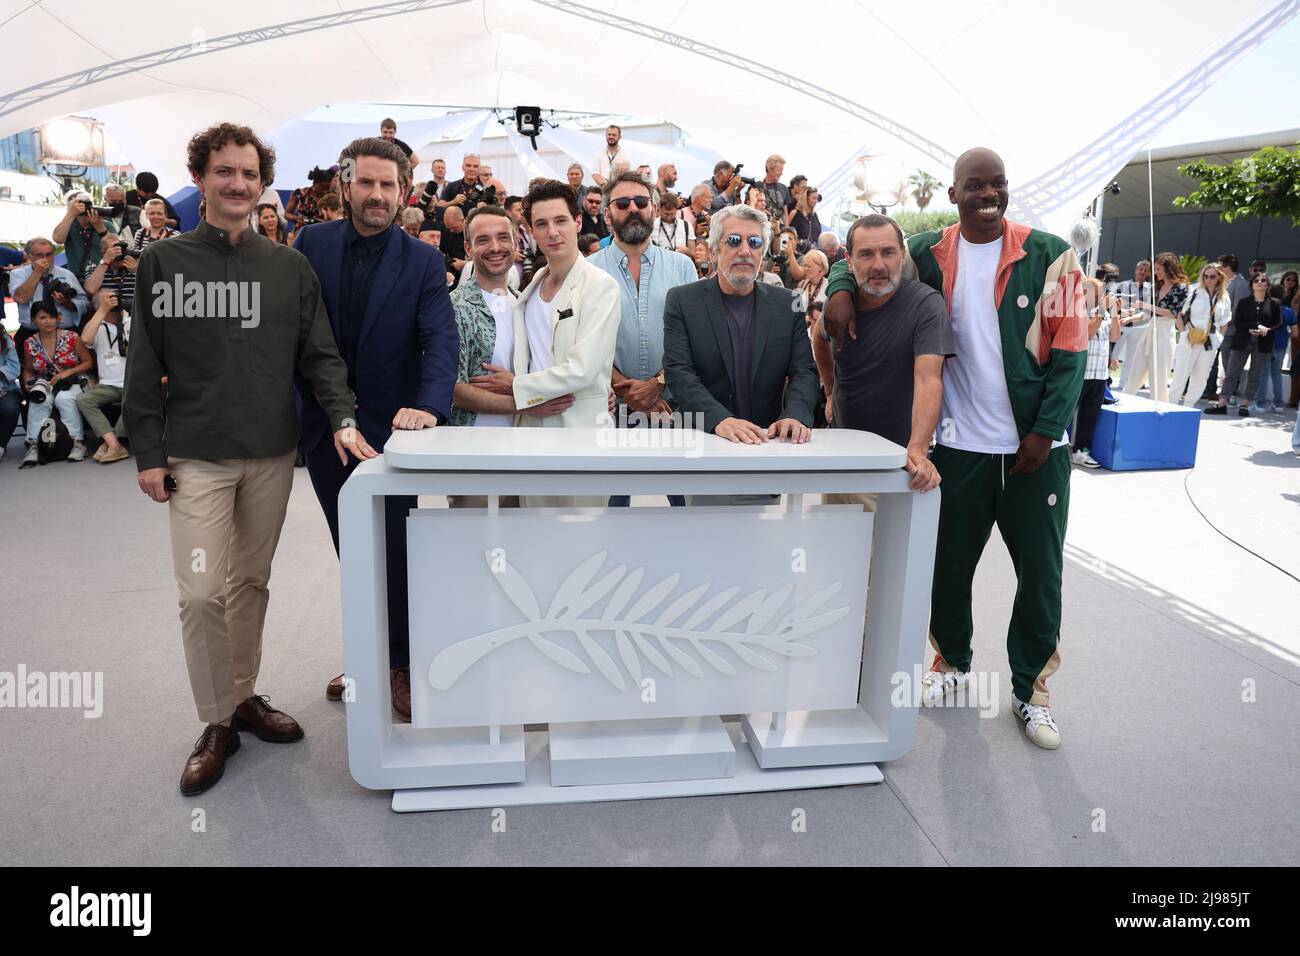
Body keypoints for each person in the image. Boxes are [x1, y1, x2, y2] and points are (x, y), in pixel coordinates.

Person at [124, 122, 373, 796]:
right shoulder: (163, 262)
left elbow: (318, 355)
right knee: (203, 592)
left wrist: (343, 416)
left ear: (263, 186)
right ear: (200, 180)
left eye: (250, 174)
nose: (238, 184)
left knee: (251, 584)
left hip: (271, 453)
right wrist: (147, 450)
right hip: (196, 455)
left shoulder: (289, 267)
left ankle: (242, 696)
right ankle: (217, 721)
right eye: (224, 171)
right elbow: (144, 364)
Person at [825, 147, 1086, 749]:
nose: (988, 194)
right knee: (946, 568)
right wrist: (839, 286)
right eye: (975, 185)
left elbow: (1071, 352)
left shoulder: (1052, 255)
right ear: (954, 193)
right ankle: (953, 666)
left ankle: (1031, 692)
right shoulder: (928, 252)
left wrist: (1045, 431)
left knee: (1041, 575)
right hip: (959, 447)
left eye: (997, 184)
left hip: (1034, 449)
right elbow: (867, 255)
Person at [293, 136, 458, 718]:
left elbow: (440, 340)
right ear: (345, 185)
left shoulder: (423, 260)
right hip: (323, 428)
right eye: (366, 182)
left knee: (394, 547)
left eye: (388, 185)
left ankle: (402, 662)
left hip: (392, 433)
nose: (377, 194)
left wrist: (430, 408)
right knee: (350, 548)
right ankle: (367, 654)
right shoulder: (309, 243)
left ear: (404, 191)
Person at [467, 180, 620, 506]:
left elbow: (582, 370)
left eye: (561, 221)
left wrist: (517, 387)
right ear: (531, 231)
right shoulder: (532, 285)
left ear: (578, 222)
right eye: (542, 224)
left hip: (579, 436)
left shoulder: (600, 286)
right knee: (531, 544)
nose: (553, 232)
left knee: (583, 546)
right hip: (530, 434)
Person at [663, 204, 818, 485]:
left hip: (767, 446)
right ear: (714, 251)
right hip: (703, 444)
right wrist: (719, 419)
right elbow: (678, 372)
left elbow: (804, 371)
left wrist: (795, 415)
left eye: (755, 242)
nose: (745, 250)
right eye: (734, 241)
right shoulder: (682, 301)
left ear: (763, 252)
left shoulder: (788, 304)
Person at [813, 214, 951, 496]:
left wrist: (918, 449)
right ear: (849, 261)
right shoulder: (840, 305)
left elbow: (929, 379)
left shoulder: (926, 305)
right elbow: (819, 337)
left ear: (902, 255)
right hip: (841, 462)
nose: (878, 265)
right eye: (866, 254)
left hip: (899, 467)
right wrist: (829, 391)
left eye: (888, 252)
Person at [588, 171, 699, 507]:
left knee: (687, 506)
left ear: (653, 208)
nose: (633, 208)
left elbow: (695, 337)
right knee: (610, 506)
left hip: (672, 406)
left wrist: (657, 384)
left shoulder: (682, 267)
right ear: (607, 213)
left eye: (640, 202)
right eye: (623, 203)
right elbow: (582, 341)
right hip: (609, 407)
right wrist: (627, 388)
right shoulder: (588, 270)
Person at [19, 300, 93, 466]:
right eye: (43, 317)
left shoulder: (71, 337)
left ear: (58, 318)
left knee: (64, 399)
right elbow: (29, 369)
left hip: (74, 380)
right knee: (39, 399)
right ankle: (33, 445)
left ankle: (78, 443)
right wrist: (27, 383)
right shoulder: (30, 343)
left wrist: (70, 371)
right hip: (46, 383)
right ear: (33, 320)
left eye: (52, 317)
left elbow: (88, 362)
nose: (48, 321)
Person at [1206, 272, 1281, 417]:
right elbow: (1238, 322)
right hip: (1242, 340)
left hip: (1263, 343)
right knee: (1232, 372)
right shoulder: (1244, 302)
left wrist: (1267, 329)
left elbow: (1278, 323)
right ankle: (1222, 403)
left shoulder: (1274, 303)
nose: (1259, 282)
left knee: (1255, 375)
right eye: (1256, 280)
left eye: (1263, 280)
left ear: (1267, 284)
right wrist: (1255, 326)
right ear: (1252, 285)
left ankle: (1245, 405)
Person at [1120, 252, 1185, 402]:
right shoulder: (1157, 287)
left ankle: (1160, 409)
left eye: (1158, 269)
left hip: (1164, 333)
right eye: (1155, 269)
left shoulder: (1181, 288)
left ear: (1169, 268)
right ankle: (1123, 402)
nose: (1155, 273)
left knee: (1159, 377)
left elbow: (1173, 313)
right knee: (1135, 373)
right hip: (1149, 331)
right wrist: (1131, 318)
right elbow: (1149, 313)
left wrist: (1146, 305)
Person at [75, 290, 132, 463]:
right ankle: (114, 444)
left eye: (114, 298)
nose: (112, 301)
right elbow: (85, 339)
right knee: (83, 400)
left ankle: (112, 443)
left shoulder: (133, 321)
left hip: (133, 383)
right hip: (108, 384)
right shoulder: (97, 327)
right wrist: (102, 310)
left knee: (137, 400)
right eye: (107, 300)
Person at [1170, 262, 1231, 406]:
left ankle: (1188, 407)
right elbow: (1179, 313)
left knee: (1201, 378)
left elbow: (1225, 322)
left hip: (1210, 342)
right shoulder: (1193, 291)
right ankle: (1170, 406)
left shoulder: (1224, 297)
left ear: (1219, 278)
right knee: (1180, 375)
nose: (1208, 279)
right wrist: (1184, 333)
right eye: (1205, 276)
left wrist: (1219, 340)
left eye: (1212, 276)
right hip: (1189, 339)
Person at [9, 237, 89, 344]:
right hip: (31, 333)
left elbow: (86, 304)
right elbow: (21, 298)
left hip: (64, 332)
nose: (45, 259)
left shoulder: (66, 274)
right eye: (39, 255)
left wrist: (68, 303)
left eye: (49, 254)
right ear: (29, 255)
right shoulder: (18, 274)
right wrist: (37, 272)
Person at [1070, 273, 1113, 467]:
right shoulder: (1077, 311)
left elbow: (1115, 335)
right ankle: (1060, 447)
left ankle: (1081, 450)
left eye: (1098, 292)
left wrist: (1115, 313)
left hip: (1100, 373)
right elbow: (1088, 332)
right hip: (1082, 372)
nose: (1098, 296)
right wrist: (1103, 311)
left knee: (1090, 416)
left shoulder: (1102, 312)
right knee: (1069, 413)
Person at [53, 191, 117, 279]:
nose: (85, 210)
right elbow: (58, 239)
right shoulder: (68, 226)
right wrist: (71, 214)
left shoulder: (106, 225)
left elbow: (116, 248)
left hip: (101, 277)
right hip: (75, 277)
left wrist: (100, 228)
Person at [82, 232, 138, 313]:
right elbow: (91, 289)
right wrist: (106, 261)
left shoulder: (132, 263)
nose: (121, 252)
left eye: (122, 248)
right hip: (109, 316)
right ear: (104, 252)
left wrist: (137, 271)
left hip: (134, 314)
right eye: (116, 249)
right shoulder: (94, 267)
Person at [284, 166, 334, 231]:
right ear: (314, 183)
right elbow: (286, 214)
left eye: (327, 188)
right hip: (301, 232)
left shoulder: (330, 197)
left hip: (323, 231)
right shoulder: (299, 194)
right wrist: (295, 218)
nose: (325, 191)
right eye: (322, 188)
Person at [0, 329, 21, 460]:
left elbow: (14, 367)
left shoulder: (4, 339)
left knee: (10, 409)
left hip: (6, 388)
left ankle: (1, 444)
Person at [788, 184, 823, 255]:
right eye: (814, 198)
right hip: (797, 253)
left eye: (817, 198)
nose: (816, 201)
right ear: (806, 198)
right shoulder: (795, 213)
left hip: (813, 253)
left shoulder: (814, 215)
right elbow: (787, 233)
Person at [439, 204, 469, 287]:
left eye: (454, 228)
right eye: (448, 228)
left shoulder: (474, 232)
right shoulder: (446, 232)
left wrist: (465, 264)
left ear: (462, 220)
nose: (451, 231)